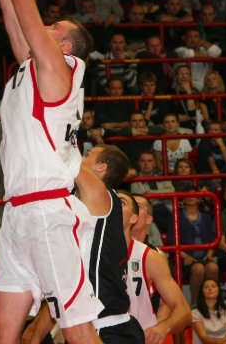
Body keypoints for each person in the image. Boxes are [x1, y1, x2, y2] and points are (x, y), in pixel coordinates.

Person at [0, 0, 102, 344]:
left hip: (49, 212)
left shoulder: (59, 72)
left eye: (56, 29)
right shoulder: (30, 70)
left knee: (77, 330)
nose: (46, 28)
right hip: (17, 212)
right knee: (1, 331)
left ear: (67, 49)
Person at [24, 145, 145, 343]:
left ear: (101, 168)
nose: (83, 156)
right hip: (97, 322)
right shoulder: (86, 207)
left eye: (89, 155)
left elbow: (66, 157)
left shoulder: (100, 194)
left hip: (104, 328)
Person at [120, 191, 191, 340]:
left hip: (141, 330)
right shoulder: (95, 248)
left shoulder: (153, 256)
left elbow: (173, 304)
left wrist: (160, 327)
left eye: (138, 206)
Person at [191, 279, 226, 344]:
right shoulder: (196, 313)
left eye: (213, 286)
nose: (210, 289)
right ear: (202, 292)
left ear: (219, 291)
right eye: (206, 287)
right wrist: (222, 341)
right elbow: (204, 338)